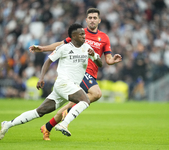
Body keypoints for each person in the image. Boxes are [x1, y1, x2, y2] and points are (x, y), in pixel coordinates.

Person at [29, 8, 122, 140]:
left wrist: (114, 60)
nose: (92, 20)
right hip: (79, 72)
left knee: (73, 104)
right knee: (96, 93)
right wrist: (42, 48)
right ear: (86, 20)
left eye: (95, 18)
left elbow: (107, 60)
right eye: (90, 17)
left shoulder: (105, 38)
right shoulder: (80, 33)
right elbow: (61, 44)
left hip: (91, 75)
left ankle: (48, 126)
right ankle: (66, 117)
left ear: (99, 20)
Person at [0, 23, 102, 140]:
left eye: (84, 34)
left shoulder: (87, 48)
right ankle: (63, 124)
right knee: (85, 100)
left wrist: (94, 55)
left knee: (39, 112)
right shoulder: (64, 48)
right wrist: (41, 77)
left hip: (69, 87)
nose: (84, 36)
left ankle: (8, 124)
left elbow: (100, 63)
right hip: (64, 83)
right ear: (73, 36)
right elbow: (48, 61)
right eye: (81, 34)